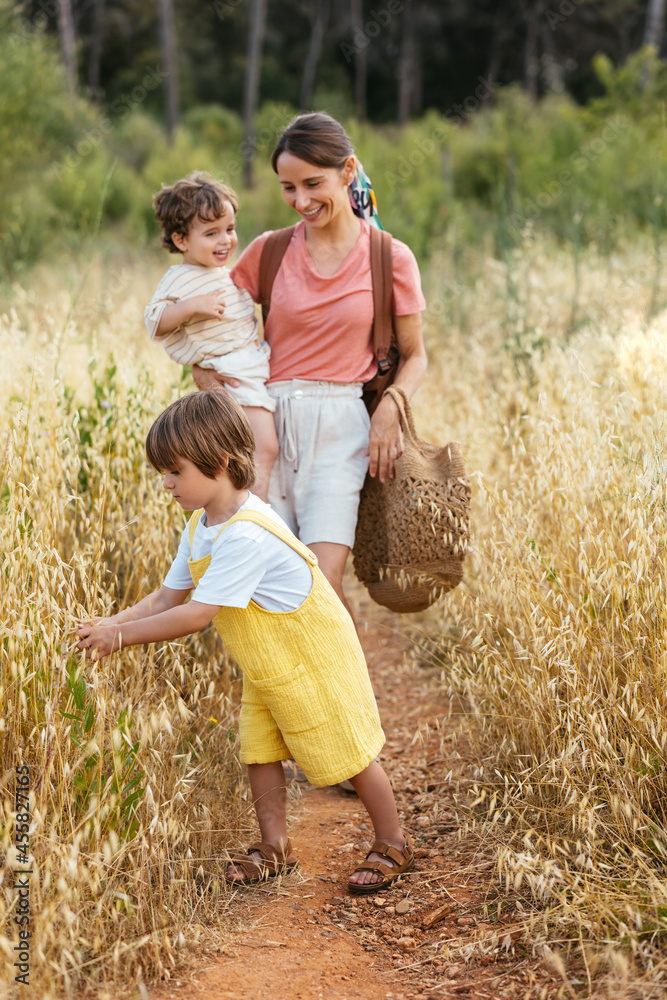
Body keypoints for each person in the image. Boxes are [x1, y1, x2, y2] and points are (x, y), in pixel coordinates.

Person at [75, 390, 415, 893]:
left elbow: (196, 614)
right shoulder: (201, 525)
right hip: (269, 657)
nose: (166, 483)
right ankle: (275, 846)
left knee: (348, 748)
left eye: (175, 471)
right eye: (163, 472)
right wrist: (108, 623)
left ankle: (392, 840)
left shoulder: (246, 534)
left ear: (220, 462)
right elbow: (166, 598)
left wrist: (118, 637)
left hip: (312, 653)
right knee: (260, 749)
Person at [191, 113, 427, 617]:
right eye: (288, 187)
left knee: (322, 584)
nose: (301, 201)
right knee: (261, 585)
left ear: (348, 171)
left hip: (341, 427)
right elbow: (212, 322)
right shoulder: (269, 251)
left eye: (313, 184)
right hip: (263, 423)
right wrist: (203, 372)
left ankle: (347, 675)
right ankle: (282, 675)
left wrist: (391, 407)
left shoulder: (389, 257)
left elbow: (415, 354)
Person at [145, 172, 279, 501]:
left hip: (249, 366)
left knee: (249, 448)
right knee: (263, 447)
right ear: (181, 241)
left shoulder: (225, 274)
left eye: (230, 229)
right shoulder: (180, 278)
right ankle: (253, 513)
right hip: (230, 372)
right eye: (211, 233)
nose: (225, 240)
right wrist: (191, 306)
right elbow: (155, 321)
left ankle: (245, 509)